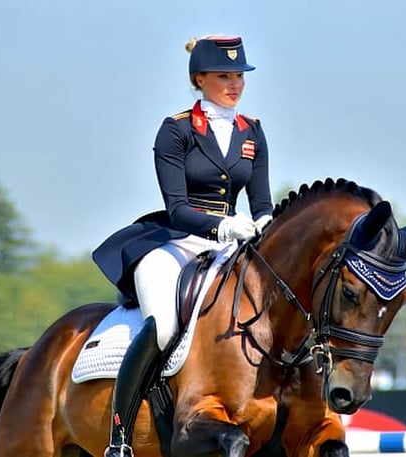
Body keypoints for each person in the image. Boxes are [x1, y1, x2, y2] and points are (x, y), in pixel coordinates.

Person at [92, 35, 273, 456]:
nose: (235, 84)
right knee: (165, 325)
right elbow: (176, 209)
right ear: (199, 79)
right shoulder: (175, 130)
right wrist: (224, 226)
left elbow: (261, 202)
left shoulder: (254, 132)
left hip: (233, 245)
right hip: (175, 243)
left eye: (239, 76)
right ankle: (120, 435)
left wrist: (264, 223)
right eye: (224, 76)